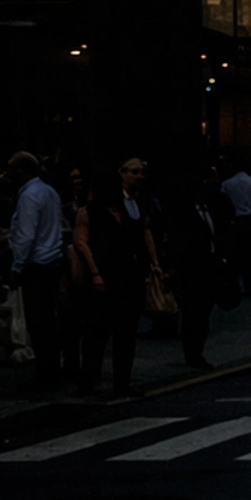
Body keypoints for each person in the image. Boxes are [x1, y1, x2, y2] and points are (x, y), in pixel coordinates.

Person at [73, 157, 162, 397]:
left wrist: (152, 263)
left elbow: (143, 233)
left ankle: (121, 381)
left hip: (128, 275)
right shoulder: (90, 212)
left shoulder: (127, 209)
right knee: (97, 332)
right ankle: (89, 381)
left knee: (125, 332)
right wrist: (95, 272)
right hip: (106, 275)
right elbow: (81, 242)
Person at [6, 151, 66, 391]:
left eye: (12, 170)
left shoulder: (29, 196)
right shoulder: (50, 192)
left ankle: (45, 373)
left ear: (23, 171)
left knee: (38, 322)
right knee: (48, 321)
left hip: (36, 265)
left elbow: (26, 236)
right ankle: (51, 370)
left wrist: (16, 267)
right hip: (52, 260)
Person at [165, 170, 232, 370]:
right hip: (192, 267)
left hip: (210, 264)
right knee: (193, 311)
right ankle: (193, 353)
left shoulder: (209, 208)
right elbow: (179, 239)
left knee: (203, 312)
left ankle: (197, 350)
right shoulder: (184, 211)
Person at [220, 161, 251, 296]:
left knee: (235, 254)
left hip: (234, 221)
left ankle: (235, 283)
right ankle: (250, 284)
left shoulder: (227, 184)